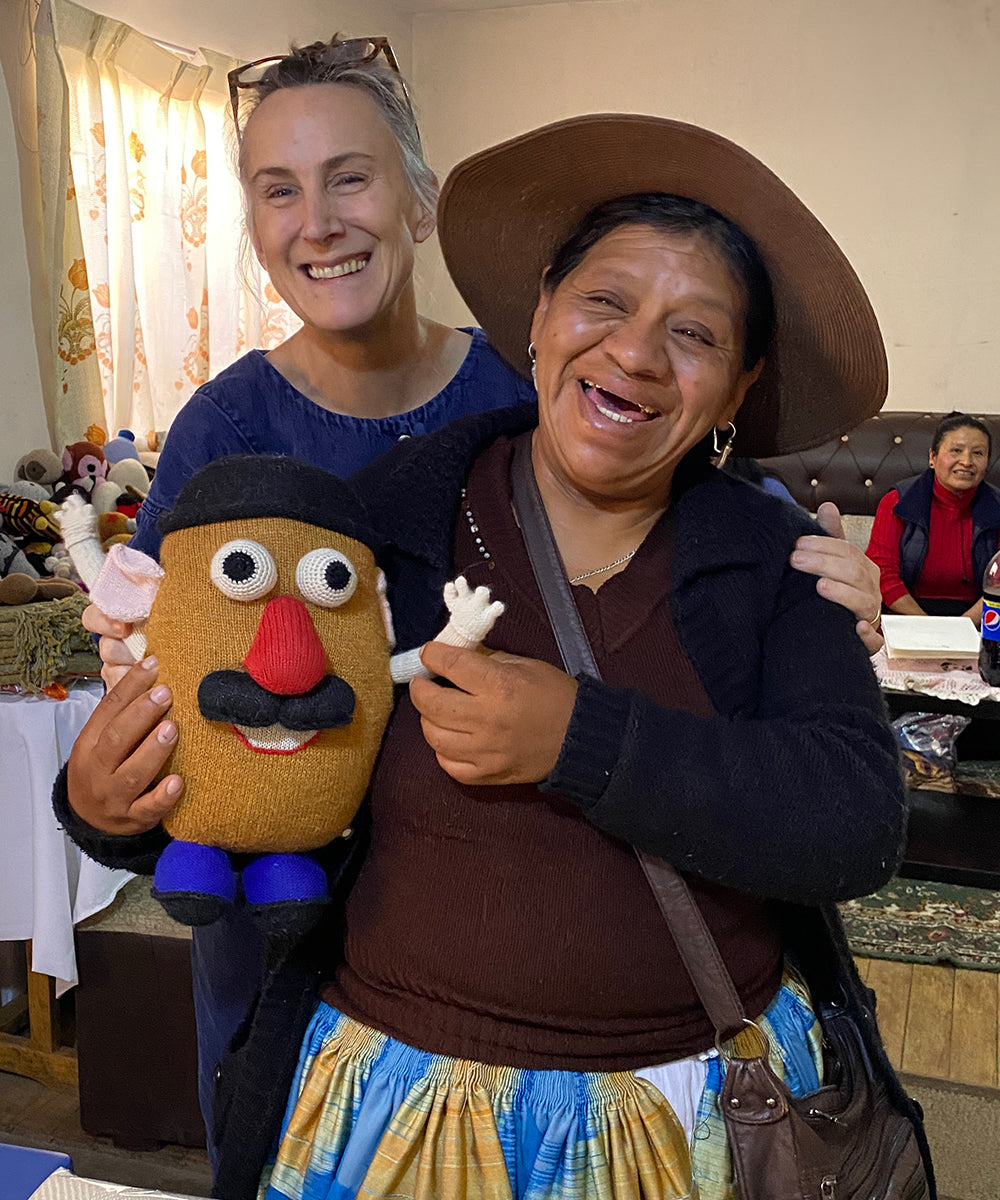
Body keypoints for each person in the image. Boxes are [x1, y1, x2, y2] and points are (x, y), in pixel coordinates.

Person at [58, 114, 930, 1200]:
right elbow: (261, 761)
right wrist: (107, 805)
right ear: (540, 315)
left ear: (738, 390)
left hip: (696, 1117)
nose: (635, 352)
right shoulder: (382, 525)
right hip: (386, 1110)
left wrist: (578, 736)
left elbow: (853, 823)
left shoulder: (772, 558)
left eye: (695, 335)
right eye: (603, 302)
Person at [867, 411, 1000, 621]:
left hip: (979, 617)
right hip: (907, 614)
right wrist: (927, 626)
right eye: (956, 450)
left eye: (978, 453)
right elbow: (882, 572)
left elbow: (998, 582)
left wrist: (963, 625)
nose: (966, 461)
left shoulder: (997, 506)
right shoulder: (897, 502)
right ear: (933, 457)